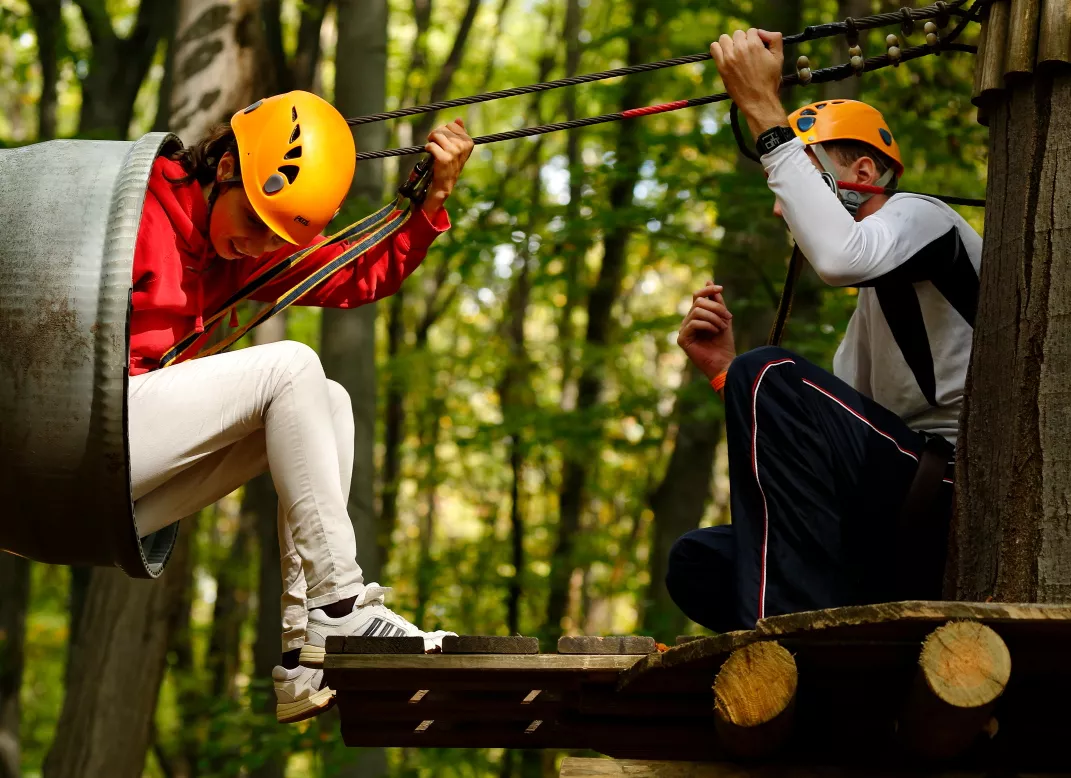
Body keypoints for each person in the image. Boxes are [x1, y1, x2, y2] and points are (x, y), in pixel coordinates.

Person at [128, 90, 474, 723]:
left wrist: (430, 204)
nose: (259, 245)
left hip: (123, 488)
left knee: (328, 400)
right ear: (227, 165)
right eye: (256, 221)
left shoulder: (241, 244)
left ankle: (306, 649)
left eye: (274, 235)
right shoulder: (133, 201)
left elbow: (352, 274)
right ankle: (344, 607)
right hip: (70, 436)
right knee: (291, 366)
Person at [665, 30, 982, 633]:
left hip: (954, 491)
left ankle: (788, 640)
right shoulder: (865, 323)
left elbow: (841, 256)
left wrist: (763, 107)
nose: (784, 207)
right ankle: (831, 630)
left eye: (803, 177)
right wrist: (723, 376)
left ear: (864, 171)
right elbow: (816, 462)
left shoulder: (924, 217)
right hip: (899, 515)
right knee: (698, 561)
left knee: (771, 372)